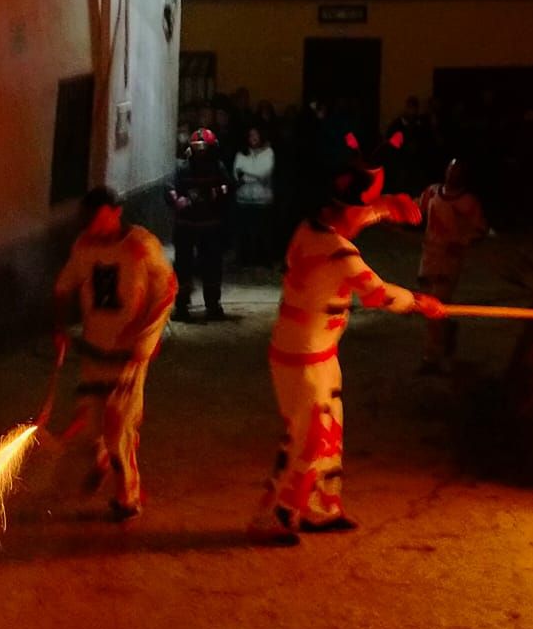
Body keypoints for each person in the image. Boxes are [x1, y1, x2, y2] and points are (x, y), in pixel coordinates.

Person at [248, 158, 440, 544]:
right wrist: (420, 302)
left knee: (328, 433)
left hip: (317, 354)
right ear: (340, 211)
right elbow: (378, 294)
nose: (362, 219)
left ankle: (323, 508)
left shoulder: (310, 228)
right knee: (309, 438)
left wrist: (384, 209)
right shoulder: (338, 253)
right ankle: (278, 514)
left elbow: (353, 218)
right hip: (301, 358)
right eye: (359, 211)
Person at [52, 186, 177, 521]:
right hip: (94, 349)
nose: (91, 224)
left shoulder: (140, 246)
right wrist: (60, 329)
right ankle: (102, 458)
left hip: (128, 355)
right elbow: (64, 287)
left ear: (115, 212)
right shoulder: (84, 247)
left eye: (97, 217)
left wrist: (145, 339)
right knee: (90, 421)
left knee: (119, 425)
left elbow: (167, 290)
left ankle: (128, 495)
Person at [416, 158, 489, 372]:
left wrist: (462, 243)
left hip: (449, 261)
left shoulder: (468, 202)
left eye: (457, 169)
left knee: (434, 306)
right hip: (429, 256)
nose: (452, 172)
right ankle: (446, 333)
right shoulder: (432, 193)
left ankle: (431, 357)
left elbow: (480, 229)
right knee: (427, 306)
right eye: (450, 167)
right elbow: (416, 209)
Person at [168, 127, 233, 319]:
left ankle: (212, 305)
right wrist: (175, 199)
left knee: (211, 266)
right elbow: (171, 188)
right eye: (197, 147)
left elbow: (228, 187)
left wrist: (214, 193)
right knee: (183, 267)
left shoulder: (218, 167)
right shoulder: (182, 167)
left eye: (204, 148)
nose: (201, 152)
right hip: (187, 225)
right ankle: (181, 306)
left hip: (210, 226)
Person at [232, 125, 277, 268]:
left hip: (263, 199)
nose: (253, 138)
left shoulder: (268, 152)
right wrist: (253, 175)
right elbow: (236, 174)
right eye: (251, 135)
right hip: (243, 199)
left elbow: (264, 173)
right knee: (244, 232)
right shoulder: (241, 154)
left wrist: (246, 175)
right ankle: (244, 259)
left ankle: (263, 259)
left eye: (256, 135)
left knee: (263, 232)